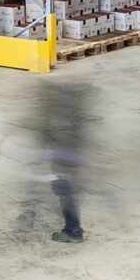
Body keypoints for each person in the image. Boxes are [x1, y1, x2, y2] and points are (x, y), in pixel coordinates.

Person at [35, 79, 93, 243]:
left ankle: (73, 231)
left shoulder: (58, 117)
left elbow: (55, 137)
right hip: (70, 159)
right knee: (67, 193)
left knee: (65, 193)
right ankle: (75, 228)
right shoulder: (72, 114)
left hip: (63, 161)